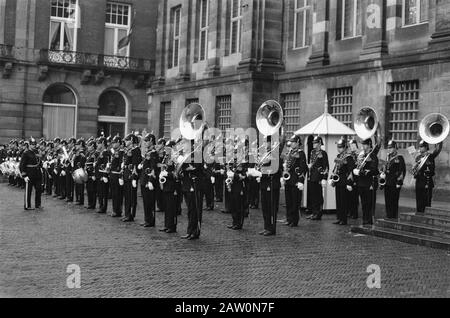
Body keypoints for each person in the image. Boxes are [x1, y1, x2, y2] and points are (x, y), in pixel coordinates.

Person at [282, 135, 307, 227]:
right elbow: (287, 165)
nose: (291, 144)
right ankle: (289, 219)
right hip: (288, 180)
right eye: (291, 142)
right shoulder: (289, 153)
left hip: (296, 180)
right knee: (288, 201)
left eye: (293, 142)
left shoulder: (301, 153)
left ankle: (294, 220)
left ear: (297, 143)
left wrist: (301, 180)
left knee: (295, 202)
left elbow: (303, 168)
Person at [353, 138, 379, 225]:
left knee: (369, 203)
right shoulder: (362, 155)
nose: (362, 146)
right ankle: (364, 219)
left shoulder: (373, 156)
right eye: (362, 144)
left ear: (369, 145)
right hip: (361, 182)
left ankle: (369, 220)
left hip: (369, 183)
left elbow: (375, 170)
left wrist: (368, 165)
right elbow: (357, 165)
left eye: (364, 144)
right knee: (363, 203)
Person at [330, 138, 355, 226]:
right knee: (338, 201)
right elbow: (335, 168)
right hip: (338, 181)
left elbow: (351, 171)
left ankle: (343, 219)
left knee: (344, 202)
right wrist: (332, 178)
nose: (339, 149)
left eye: (340, 147)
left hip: (344, 182)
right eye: (338, 147)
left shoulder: (348, 158)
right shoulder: (339, 156)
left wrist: (349, 183)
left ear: (344, 147)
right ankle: (339, 217)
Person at [413, 140, 443, 213]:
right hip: (419, 181)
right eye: (419, 147)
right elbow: (415, 170)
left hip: (427, 181)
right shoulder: (418, 157)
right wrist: (414, 169)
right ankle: (419, 214)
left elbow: (432, 170)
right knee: (419, 200)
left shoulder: (430, 156)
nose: (420, 148)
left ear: (426, 147)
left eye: (422, 147)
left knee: (426, 201)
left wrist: (439, 141)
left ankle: (426, 217)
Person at [380, 140, 406, 219]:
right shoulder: (388, 157)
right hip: (387, 182)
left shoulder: (399, 157)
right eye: (388, 148)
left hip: (395, 183)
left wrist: (399, 181)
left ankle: (393, 217)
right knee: (387, 201)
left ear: (395, 147)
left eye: (391, 148)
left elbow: (402, 170)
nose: (389, 149)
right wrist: (382, 171)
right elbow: (384, 168)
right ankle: (388, 216)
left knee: (394, 202)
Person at [307, 136, 329, 221]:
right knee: (312, 196)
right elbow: (311, 163)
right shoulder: (312, 152)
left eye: (315, 143)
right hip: (312, 176)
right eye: (313, 143)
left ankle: (318, 213)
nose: (313, 144)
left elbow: (326, 166)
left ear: (320, 143)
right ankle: (314, 212)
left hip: (319, 177)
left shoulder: (323, 153)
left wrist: (324, 178)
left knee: (318, 196)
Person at [19, 137, 43, 210]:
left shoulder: (37, 152)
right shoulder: (25, 153)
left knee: (38, 189)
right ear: (29, 145)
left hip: (37, 174)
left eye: (35, 144)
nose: (34, 145)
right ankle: (27, 205)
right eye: (32, 144)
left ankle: (38, 204)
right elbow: (22, 165)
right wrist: (24, 175)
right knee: (28, 191)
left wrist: (41, 165)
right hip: (29, 174)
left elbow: (39, 161)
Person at [85, 139, 97, 210]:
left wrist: (93, 174)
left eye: (89, 146)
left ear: (92, 146)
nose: (88, 147)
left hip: (92, 174)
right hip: (87, 174)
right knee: (88, 189)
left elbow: (95, 165)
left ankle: (93, 204)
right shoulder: (88, 154)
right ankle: (89, 203)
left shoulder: (95, 154)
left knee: (93, 190)